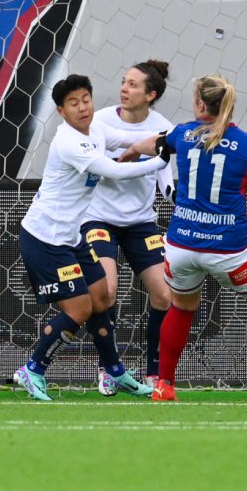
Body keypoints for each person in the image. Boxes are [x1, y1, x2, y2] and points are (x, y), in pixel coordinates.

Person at [152, 75, 247, 403]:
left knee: (181, 307)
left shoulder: (183, 133)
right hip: (229, 251)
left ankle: (164, 384)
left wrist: (126, 151)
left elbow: (155, 143)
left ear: (200, 104)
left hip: (182, 246)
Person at [15, 74, 168, 401]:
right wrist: (161, 159)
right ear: (61, 111)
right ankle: (33, 369)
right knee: (81, 308)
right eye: (74, 103)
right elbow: (114, 171)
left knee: (101, 296)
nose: (83, 107)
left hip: (72, 237)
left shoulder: (96, 127)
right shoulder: (70, 142)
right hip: (46, 239)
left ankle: (113, 371)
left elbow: (129, 138)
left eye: (86, 99)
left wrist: (171, 138)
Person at [82, 60, 175, 395]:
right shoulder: (100, 121)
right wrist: (130, 155)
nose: (124, 88)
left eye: (133, 84)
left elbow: (165, 177)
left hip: (140, 222)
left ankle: (155, 373)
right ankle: (109, 369)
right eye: (124, 81)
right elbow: (94, 167)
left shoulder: (164, 128)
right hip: (99, 218)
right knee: (105, 292)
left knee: (165, 294)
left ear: (151, 95)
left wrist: (179, 199)